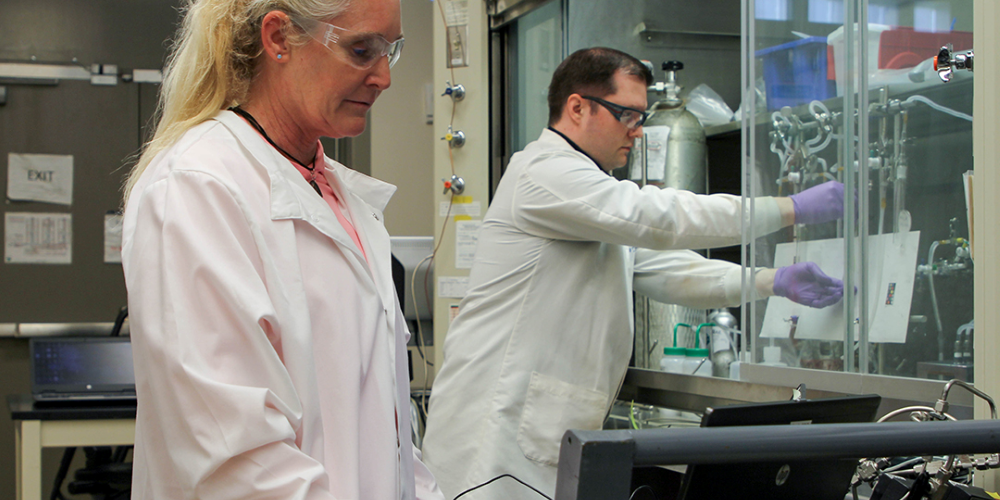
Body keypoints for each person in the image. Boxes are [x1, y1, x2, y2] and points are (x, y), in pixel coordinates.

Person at [420, 47, 844, 500]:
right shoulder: (543, 173)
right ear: (577, 107)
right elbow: (659, 217)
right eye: (627, 114)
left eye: (641, 117)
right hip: (492, 436)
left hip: (535, 430)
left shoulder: (590, 194)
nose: (637, 132)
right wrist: (787, 209)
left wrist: (769, 281)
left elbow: (666, 269)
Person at [119, 0, 442, 498]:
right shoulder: (196, 187)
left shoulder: (337, 196)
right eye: (362, 49)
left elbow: (386, 430)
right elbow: (236, 459)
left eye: (390, 52)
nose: (384, 77)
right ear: (278, 39)